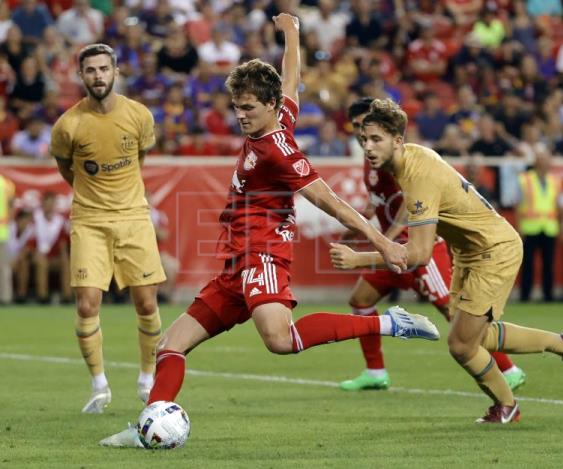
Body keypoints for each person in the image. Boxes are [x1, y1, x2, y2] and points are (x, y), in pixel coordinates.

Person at [99, 14, 440, 447]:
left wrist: (383, 242)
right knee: (170, 345)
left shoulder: (279, 149)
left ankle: (388, 324)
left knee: (281, 340)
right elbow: (292, 83)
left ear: (270, 107)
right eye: (238, 107)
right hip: (237, 261)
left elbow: (329, 200)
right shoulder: (278, 117)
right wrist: (292, 33)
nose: (241, 116)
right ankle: (146, 425)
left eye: (249, 108)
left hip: (264, 252)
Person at [330, 99, 563, 423]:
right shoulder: (410, 160)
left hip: (493, 250)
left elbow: (419, 255)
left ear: (398, 140)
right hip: (470, 250)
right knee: (475, 337)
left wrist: (359, 260)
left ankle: (507, 405)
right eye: (364, 139)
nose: (367, 147)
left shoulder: (417, 176)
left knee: (461, 345)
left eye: (376, 139)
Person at [338, 98, 525, 392]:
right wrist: (363, 221)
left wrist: (394, 231)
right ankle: (375, 372)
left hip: (418, 248)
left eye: (369, 129)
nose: (365, 136)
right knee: (360, 300)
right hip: (392, 251)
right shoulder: (371, 159)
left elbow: (412, 199)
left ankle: (508, 368)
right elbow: (383, 201)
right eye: (359, 130)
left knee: (457, 316)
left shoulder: (395, 160)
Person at [50, 43, 166, 413]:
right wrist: (94, 198)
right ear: (81, 76)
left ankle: (147, 379)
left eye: (104, 69)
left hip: (133, 218)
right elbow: (66, 168)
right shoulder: (68, 125)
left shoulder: (139, 115)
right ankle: (99, 385)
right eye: (91, 70)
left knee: (147, 302)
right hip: (89, 220)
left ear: (115, 71)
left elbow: (140, 158)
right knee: (87, 305)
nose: (98, 76)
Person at [516, 147, 562, 302]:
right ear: (536, 161)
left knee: (548, 264)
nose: (544, 161)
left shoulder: (555, 181)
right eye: (541, 158)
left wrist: (562, 225)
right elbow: (518, 204)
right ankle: (525, 295)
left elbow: (558, 205)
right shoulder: (525, 179)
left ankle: (548, 295)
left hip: (549, 227)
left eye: (546, 158)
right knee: (528, 264)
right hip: (530, 227)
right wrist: (519, 227)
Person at [0, 172, 15, 304]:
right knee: (4, 268)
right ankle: (6, 297)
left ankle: (6, 297)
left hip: (2, 232)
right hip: (2, 232)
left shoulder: (7, 184)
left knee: (4, 267)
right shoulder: (7, 183)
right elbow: (11, 206)